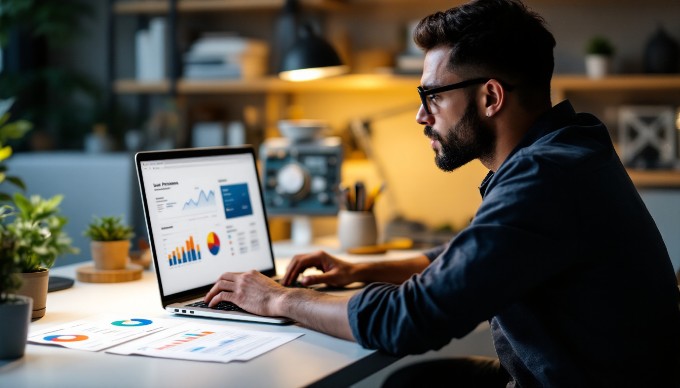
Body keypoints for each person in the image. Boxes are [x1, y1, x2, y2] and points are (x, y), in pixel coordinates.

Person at [204, 0, 680, 386]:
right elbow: (475, 255)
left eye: (432, 95)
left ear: (491, 98)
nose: (420, 116)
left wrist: (276, 300)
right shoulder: (570, 146)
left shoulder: (544, 177)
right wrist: (363, 270)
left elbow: (410, 319)